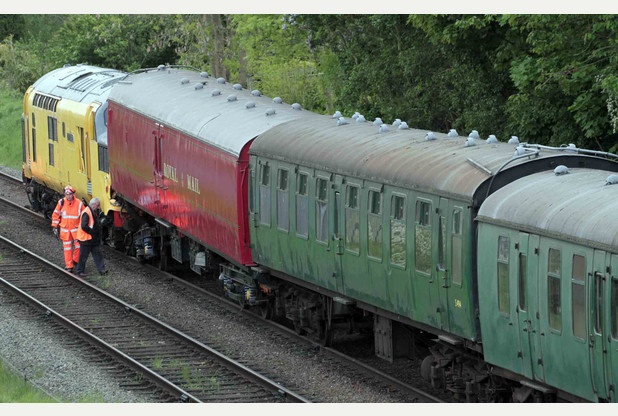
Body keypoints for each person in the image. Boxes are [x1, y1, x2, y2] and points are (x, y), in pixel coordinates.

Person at [51, 185, 84, 272]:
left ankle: (75, 261)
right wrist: (54, 226)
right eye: (66, 194)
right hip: (65, 231)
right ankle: (69, 266)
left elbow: (84, 217)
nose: (68, 196)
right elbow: (55, 214)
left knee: (79, 246)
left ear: (73, 194)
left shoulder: (79, 204)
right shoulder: (61, 203)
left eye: (70, 194)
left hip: (76, 230)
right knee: (67, 248)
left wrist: (83, 228)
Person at [74, 197, 107, 277]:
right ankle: (79, 271)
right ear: (94, 204)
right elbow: (84, 226)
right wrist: (92, 232)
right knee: (83, 256)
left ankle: (102, 270)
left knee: (98, 254)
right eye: (98, 205)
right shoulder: (87, 212)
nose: (98, 207)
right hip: (86, 239)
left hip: (91, 239)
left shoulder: (90, 211)